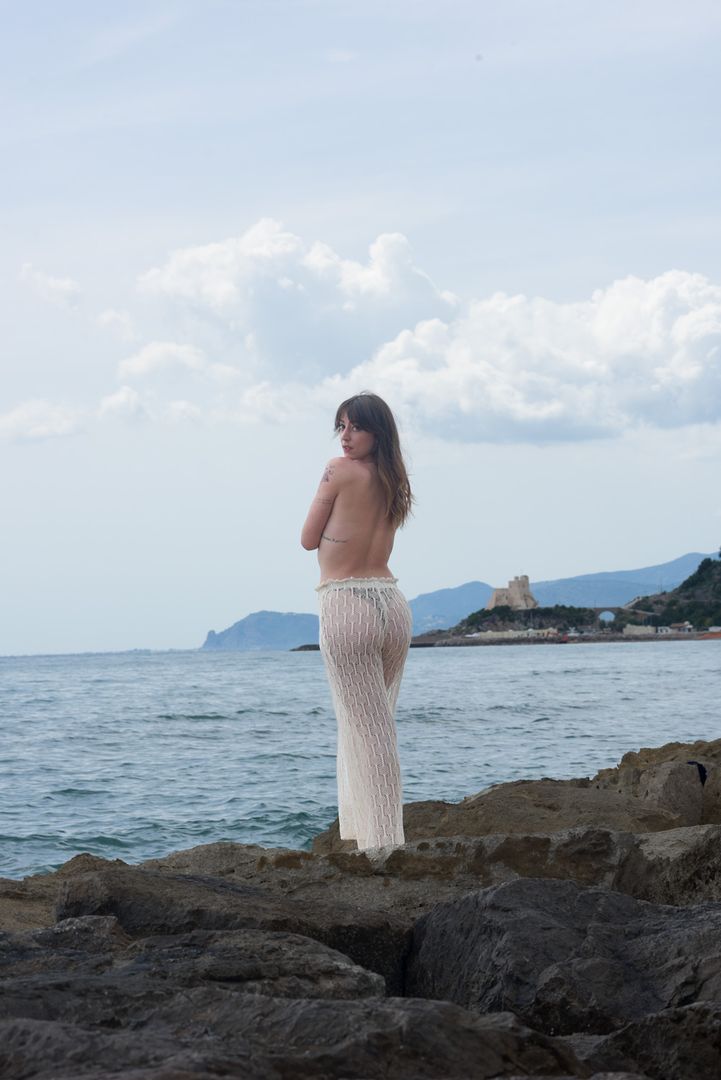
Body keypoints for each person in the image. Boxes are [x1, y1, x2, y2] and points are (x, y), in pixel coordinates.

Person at [301, 391, 414, 856]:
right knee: (373, 723)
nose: (346, 437)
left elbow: (308, 538)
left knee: (370, 730)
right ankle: (362, 829)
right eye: (342, 427)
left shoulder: (339, 470)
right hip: (392, 605)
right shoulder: (394, 480)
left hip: (347, 603)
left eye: (357, 427)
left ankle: (383, 844)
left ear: (378, 433)